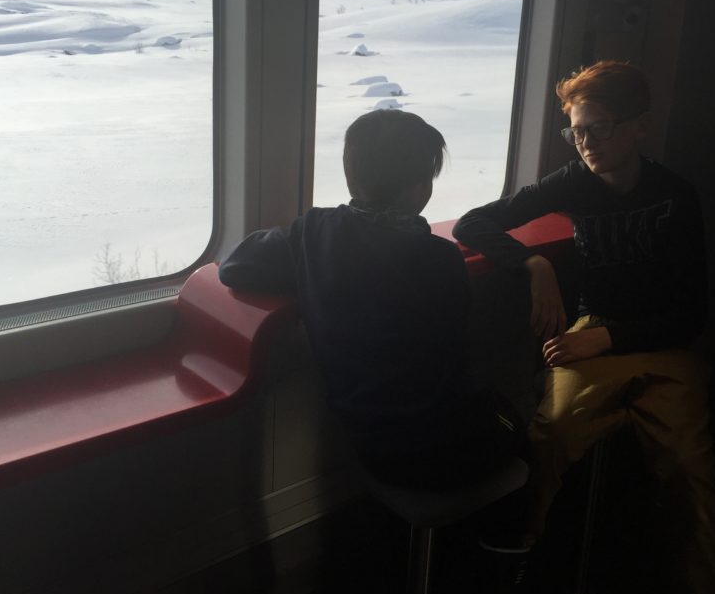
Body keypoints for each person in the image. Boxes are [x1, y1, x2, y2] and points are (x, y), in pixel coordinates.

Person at [453, 61, 715, 594]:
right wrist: (532, 264)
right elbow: (474, 223)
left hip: (660, 340)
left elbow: (692, 314)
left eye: (598, 128)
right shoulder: (572, 180)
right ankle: (530, 574)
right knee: (551, 433)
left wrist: (608, 338)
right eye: (575, 130)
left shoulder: (676, 197)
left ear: (638, 127)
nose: (585, 143)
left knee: (688, 469)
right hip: (590, 328)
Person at [219, 109, 522, 490]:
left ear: (352, 177)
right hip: (447, 446)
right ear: (419, 189)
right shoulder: (441, 260)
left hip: (369, 443)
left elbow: (233, 266)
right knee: (522, 426)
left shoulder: (312, 234)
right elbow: (454, 354)